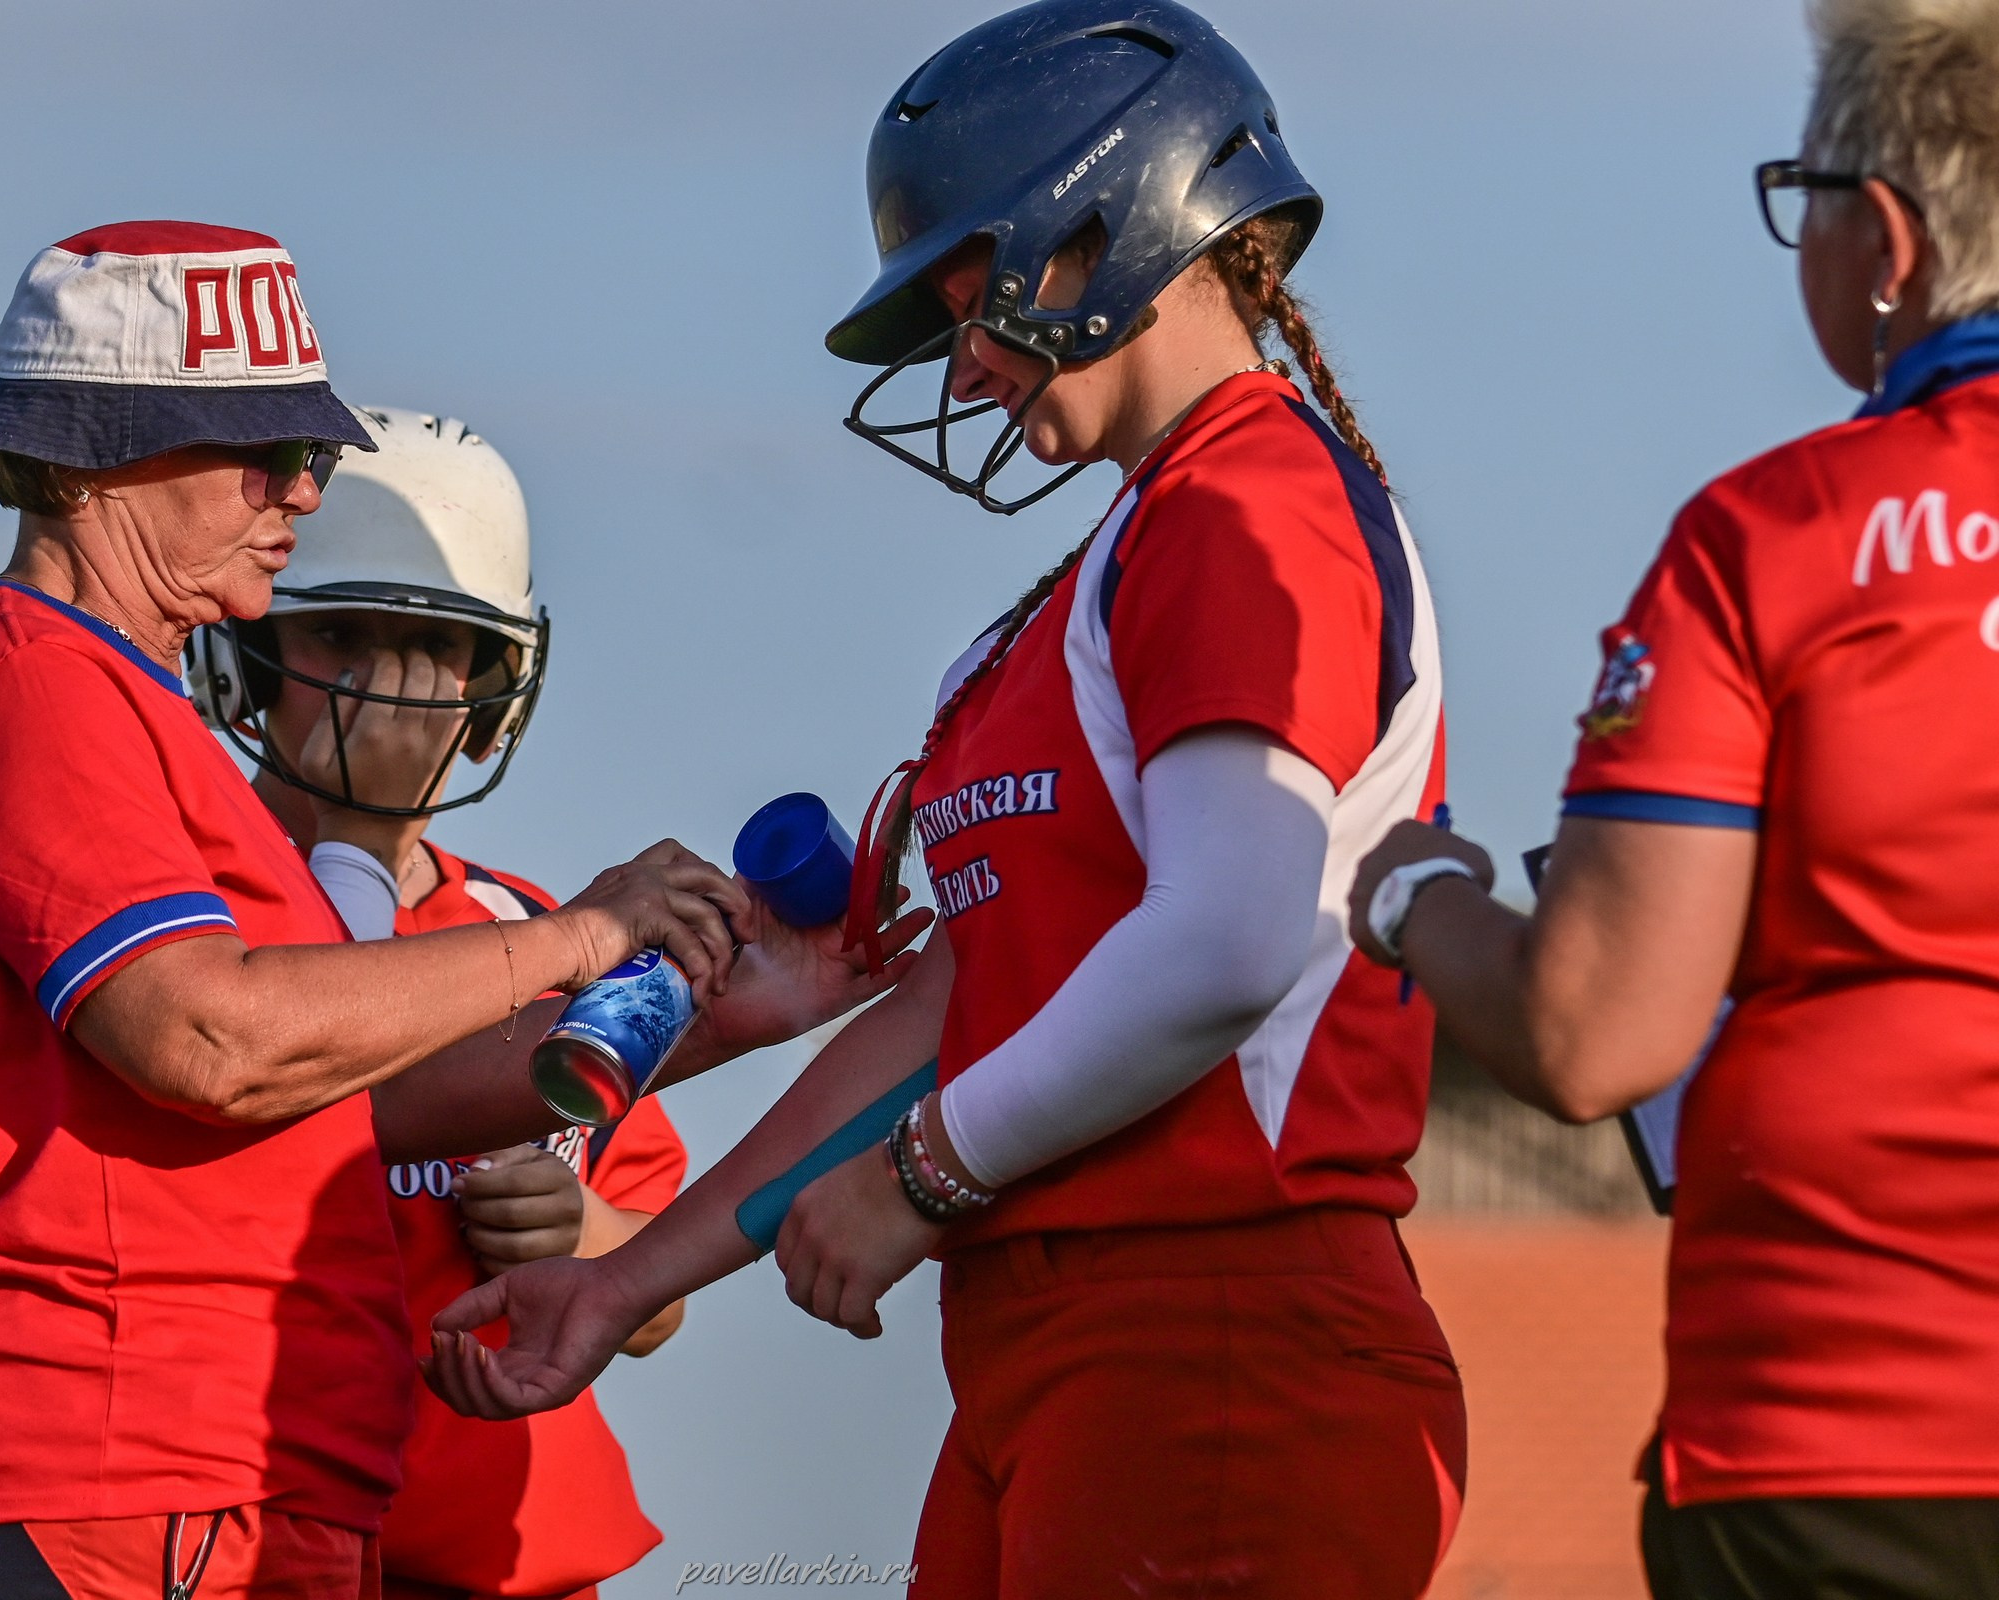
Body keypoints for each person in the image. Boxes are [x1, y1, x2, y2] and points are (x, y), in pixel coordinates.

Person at [426, 5, 1465, 1595]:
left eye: (973, 293)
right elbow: (957, 1007)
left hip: (1217, 1322)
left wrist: (926, 1173)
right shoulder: (1098, 572)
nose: (964, 362)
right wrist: (625, 1281)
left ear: (1113, 224)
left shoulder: (1245, 494)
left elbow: (1232, 940)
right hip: (1061, 1336)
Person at [0, 222, 911, 1600]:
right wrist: (581, 935)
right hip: (123, 1476)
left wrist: (709, 1015)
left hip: (226, 1487)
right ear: (76, 460)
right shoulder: (32, 675)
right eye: (257, 451)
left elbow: (352, 1103)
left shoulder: (123, 707)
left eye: (305, 450)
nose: (301, 485)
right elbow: (212, 1044)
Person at [1348, 3, 1999, 1596]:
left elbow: (1593, 1038)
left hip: (1854, 1429)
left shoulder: (1767, 540)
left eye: (1809, 198)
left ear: (1891, 237)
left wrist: (1409, 895)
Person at [192, 404, 692, 1599]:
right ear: (256, 659)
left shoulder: (537, 932)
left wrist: (581, 1233)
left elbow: (655, 1297)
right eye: (346, 639)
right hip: (271, 1550)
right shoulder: (194, 917)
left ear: (495, 692)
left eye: (438, 650)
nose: (397, 693)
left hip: (520, 1560)